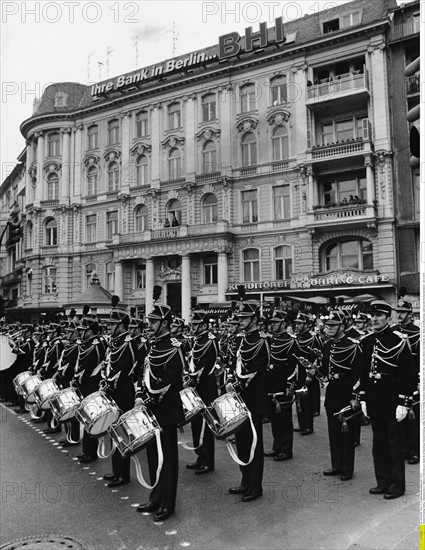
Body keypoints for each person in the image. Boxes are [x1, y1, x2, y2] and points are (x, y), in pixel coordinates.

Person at [359, 300, 416, 499]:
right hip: (375, 399)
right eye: (372, 316)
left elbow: (407, 374)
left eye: (379, 315)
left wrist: (404, 402)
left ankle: (397, 485)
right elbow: (364, 372)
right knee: (378, 444)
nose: (374, 319)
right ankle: (382, 482)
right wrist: (364, 397)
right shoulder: (367, 341)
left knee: (394, 444)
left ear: (388, 318)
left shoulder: (399, 340)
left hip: (392, 399)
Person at [135, 304, 186, 522]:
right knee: (153, 457)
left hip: (166, 410)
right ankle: (155, 497)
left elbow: (169, 380)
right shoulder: (152, 345)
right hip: (151, 409)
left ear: (165, 323)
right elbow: (142, 371)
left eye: (153, 322)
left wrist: (148, 398)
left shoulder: (174, 347)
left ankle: (168, 504)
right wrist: (139, 394)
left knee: (168, 459)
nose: (149, 325)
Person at [227, 301, 270, 502]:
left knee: (254, 442)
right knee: (242, 442)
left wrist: (238, 384)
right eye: (240, 318)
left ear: (254, 319)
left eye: (244, 318)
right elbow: (230, 363)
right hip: (238, 398)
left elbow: (258, 368)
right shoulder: (238, 340)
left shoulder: (262, 341)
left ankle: (255, 485)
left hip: (252, 398)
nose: (240, 321)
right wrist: (229, 380)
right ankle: (245, 480)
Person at [319, 311, 363, 481]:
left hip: (346, 391)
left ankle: (347, 468)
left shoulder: (353, 345)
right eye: (327, 325)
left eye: (332, 325)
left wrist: (355, 396)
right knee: (333, 432)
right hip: (332, 392)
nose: (328, 328)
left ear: (342, 327)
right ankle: (336, 464)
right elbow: (325, 371)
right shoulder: (328, 345)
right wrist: (314, 370)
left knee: (347, 434)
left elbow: (358, 374)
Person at [102, 299, 138, 487]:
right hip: (113, 393)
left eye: (112, 324)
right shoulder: (114, 343)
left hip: (123, 393)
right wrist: (104, 380)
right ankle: (116, 470)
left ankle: (123, 474)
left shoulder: (127, 343)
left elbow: (123, 369)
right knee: (112, 431)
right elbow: (109, 365)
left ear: (121, 326)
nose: (108, 327)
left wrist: (110, 384)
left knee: (121, 434)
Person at [185, 310, 219, 475]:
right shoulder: (196, 341)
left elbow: (203, 367)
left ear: (204, 326)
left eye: (196, 325)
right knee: (196, 424)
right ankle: (200, 457)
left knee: (206, 426)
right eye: (192, 324)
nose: (192, 327)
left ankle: (208, 461)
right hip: (195, 388)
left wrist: (190, 379)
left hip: (205, 387)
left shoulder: (210, 342)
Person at [264, 309, 300, 462]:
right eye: (271, 323)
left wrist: (289, 385)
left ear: (283, 324)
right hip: (270, 383)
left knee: (284, 419)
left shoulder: (291, 341)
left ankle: (286, 449)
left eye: (275, 323)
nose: (272, 325)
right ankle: (277, 446)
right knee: (274, 418)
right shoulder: (271, 340)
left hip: (282, 383)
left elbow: (294, 366)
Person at [393, 300, 420, 465]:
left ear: (410, 314)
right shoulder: (393, 331)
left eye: (403, 312)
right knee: (398, 415)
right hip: (396, 380)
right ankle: (402, 447)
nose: (400, 314)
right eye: (398, 311)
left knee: (412, 416)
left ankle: (413, 450)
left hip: (413, 380)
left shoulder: (417, 333)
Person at [293, 311, 323, 434]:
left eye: (300, 324)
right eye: (297, 323)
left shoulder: (313, 339)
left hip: (308, 372)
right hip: (298, 373)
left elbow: (318, 357)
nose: (297, 326)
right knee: (298, 399)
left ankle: (308, 426)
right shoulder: (296, 338)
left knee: (307, 401)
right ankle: (301, 424)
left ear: (306, 325)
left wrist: (310, 374)